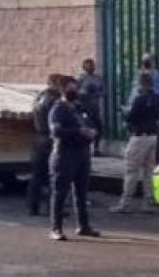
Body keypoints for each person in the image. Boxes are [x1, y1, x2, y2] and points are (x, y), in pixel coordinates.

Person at [48, 75, 100, 241]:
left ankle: (83, 226)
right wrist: (78, 132)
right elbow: (56, 132)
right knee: (60, 193)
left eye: (75, 87)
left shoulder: (78, 108)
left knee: (81, 193)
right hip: (64, 154)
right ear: (63, 89)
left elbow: (90, 124)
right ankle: (56, 228)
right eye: (71, 88)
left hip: (82, 153)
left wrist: (92, 132)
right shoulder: (58, 109)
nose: (74, 90)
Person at [110, 71, 159, 214]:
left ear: (141, 84)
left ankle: (126, 203)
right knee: (149, 170)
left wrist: (125, 112)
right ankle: (148, 202)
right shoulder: (157, 98)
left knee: (131, 170)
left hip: (139, 137)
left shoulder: (139, 99)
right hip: (153, 136)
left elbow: (131, 117)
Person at [26, 73, 62, 216]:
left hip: (39, 138)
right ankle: (52, 208)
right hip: (49, 138)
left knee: (37, 176)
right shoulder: (54, 100)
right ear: (54, 84)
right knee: (53, 175)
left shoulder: (40, 97)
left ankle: (32, 207)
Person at [77, 58, 105, 156]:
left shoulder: (98, 79)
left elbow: (103, 91)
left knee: (98, 127)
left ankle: (96, 148)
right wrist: (83, 94)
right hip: (85, 108)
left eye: (92, 65)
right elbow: (76, 92)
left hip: (95, 107)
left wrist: (96, 94)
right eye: (88, 66)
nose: (91, 68)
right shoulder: (81, 79)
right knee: (86, 128)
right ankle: (87, 148)